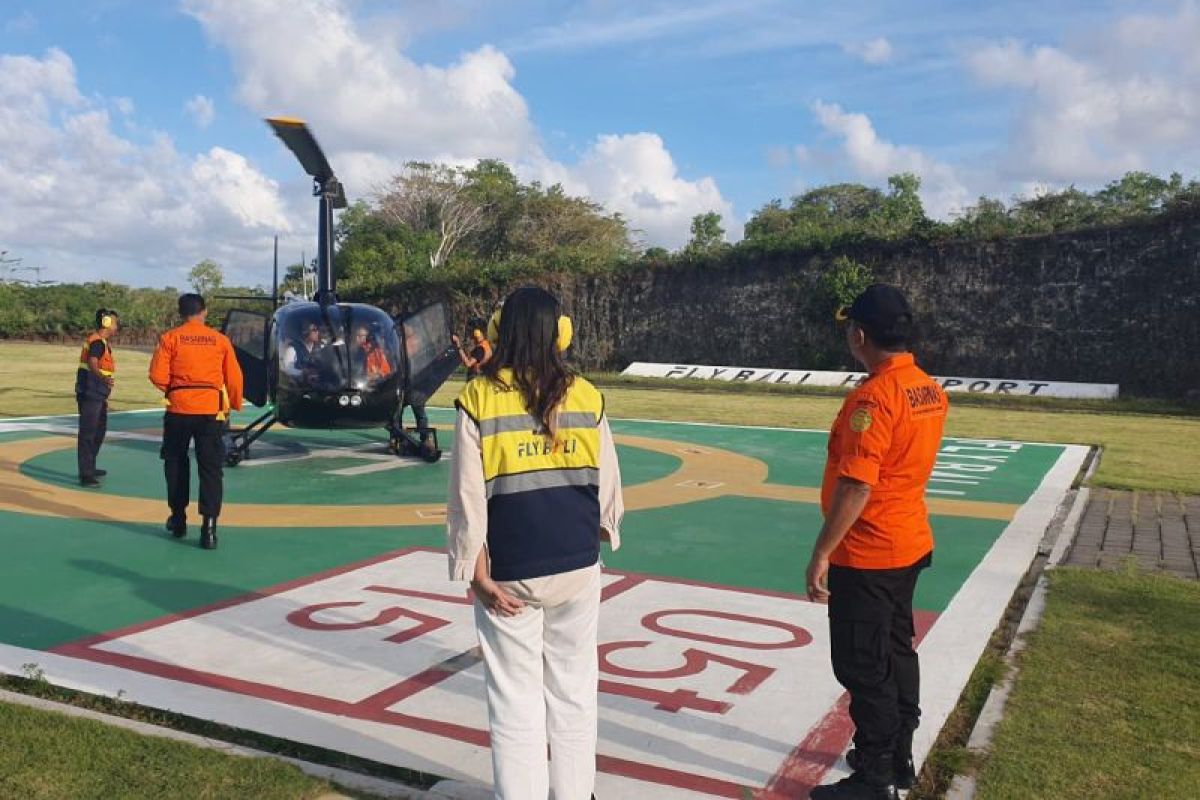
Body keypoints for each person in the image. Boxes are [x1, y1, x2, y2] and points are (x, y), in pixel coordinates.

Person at [447, 287, 623, 800]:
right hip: (576, 563)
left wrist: (474, 572)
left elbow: (467, 497)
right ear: (559, 334)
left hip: (510, 568)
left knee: (514, 699)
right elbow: (607, 485)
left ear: (501, 331)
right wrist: (600, 536)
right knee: (573, 690)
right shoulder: (587, 395)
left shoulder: (478, 399)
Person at [805, 285, 949, 800]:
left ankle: (875, 775)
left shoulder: (873, 398)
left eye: (850, 328)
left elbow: (857, 484)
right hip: (907, 540)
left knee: (862, 664)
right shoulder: (927, 388)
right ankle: (899, 753)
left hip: (869, 550)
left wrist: (823, 551)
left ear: (860, 335)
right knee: (895, 649)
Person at [149, 293, 244, 550]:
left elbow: (157, 375)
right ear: (203, 312)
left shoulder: (170, 338)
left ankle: (178, 519)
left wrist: (176, 390)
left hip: (178, 410)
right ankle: (209, 528)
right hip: (210, 412)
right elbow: (234, 378)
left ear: (181, 313)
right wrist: (232, 404)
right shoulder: (220, 340)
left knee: (176, 463)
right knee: (211, 469)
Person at [75, 308, 119, 487]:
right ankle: (86, 474)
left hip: (98, 393)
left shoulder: (101, 342)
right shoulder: (98, 343)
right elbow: (93, 362)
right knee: (88, 433)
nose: (117, 326)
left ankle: (90, 466)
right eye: (115, 322)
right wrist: (103, 377)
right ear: (107, 323)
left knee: (99, 430)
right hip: (91, 392)